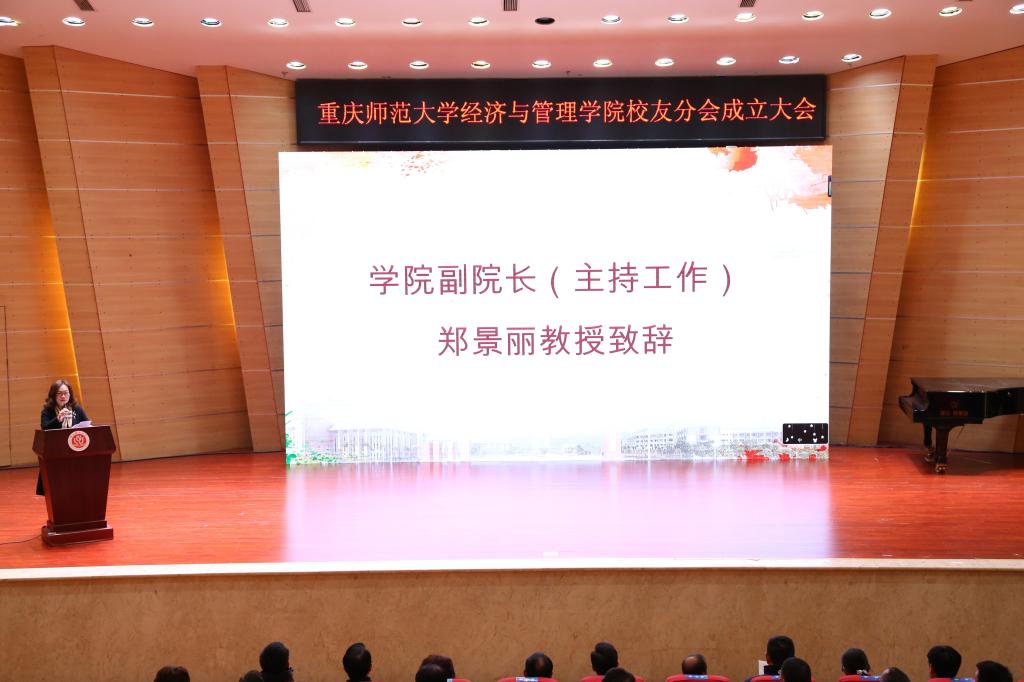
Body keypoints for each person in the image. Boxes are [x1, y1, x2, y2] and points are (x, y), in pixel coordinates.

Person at [36, 379, 89, 495]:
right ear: (53, 395)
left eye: (66, 393)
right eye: (59, 393)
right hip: (55, 454)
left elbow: (88, 426)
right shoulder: (47, 411)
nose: (63, 396)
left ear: (70, 394)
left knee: (76, 488)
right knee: (56, 490)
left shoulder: (77, 409)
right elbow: (44, 428)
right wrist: (57, 419)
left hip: (75, 452)